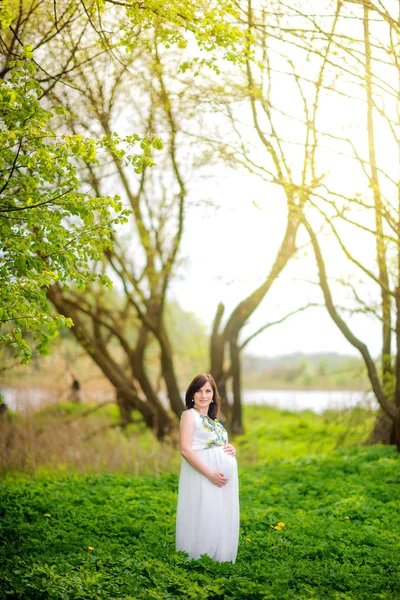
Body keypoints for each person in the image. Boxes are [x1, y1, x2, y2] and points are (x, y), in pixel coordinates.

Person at [175, 373, 239, 563]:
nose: (203, 395)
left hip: (221, 481)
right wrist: (209, 474)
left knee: (218, 514)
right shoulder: (189, 416)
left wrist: (231, 448)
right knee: (203, 512)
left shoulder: (215, 421)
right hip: (203, 475)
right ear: (192, 394)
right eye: (199, 390)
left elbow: (216, 444)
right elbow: (185, 450)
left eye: (208, 391)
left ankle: (220, 557)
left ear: (213, 395)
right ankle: (200, 557)